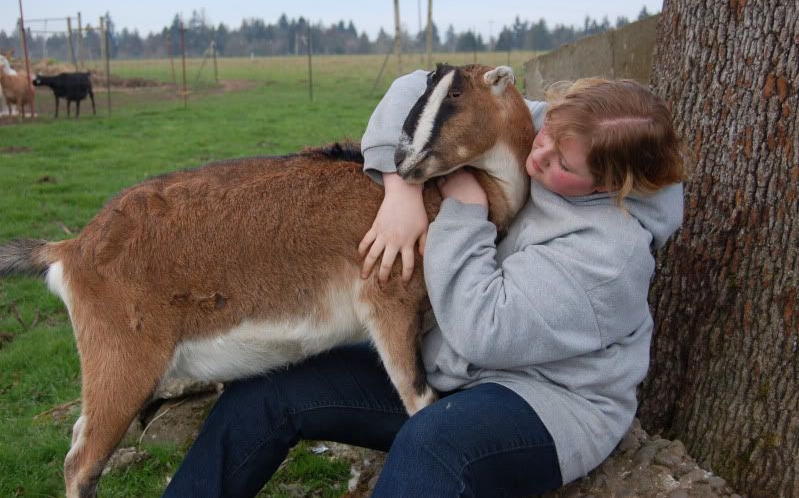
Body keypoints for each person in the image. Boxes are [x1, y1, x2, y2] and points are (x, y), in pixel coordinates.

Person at [163, 70, 685, 497]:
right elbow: (416, 87)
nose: (539, 155)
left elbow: (483, 331)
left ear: (614, 184)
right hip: (442, 363)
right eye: (547, 137)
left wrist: (462, 206)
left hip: (543, 399)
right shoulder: (551, 127)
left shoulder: (608, 256)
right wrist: (400, 190)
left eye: (562, 164)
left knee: (433, 440)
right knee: (269, 390)